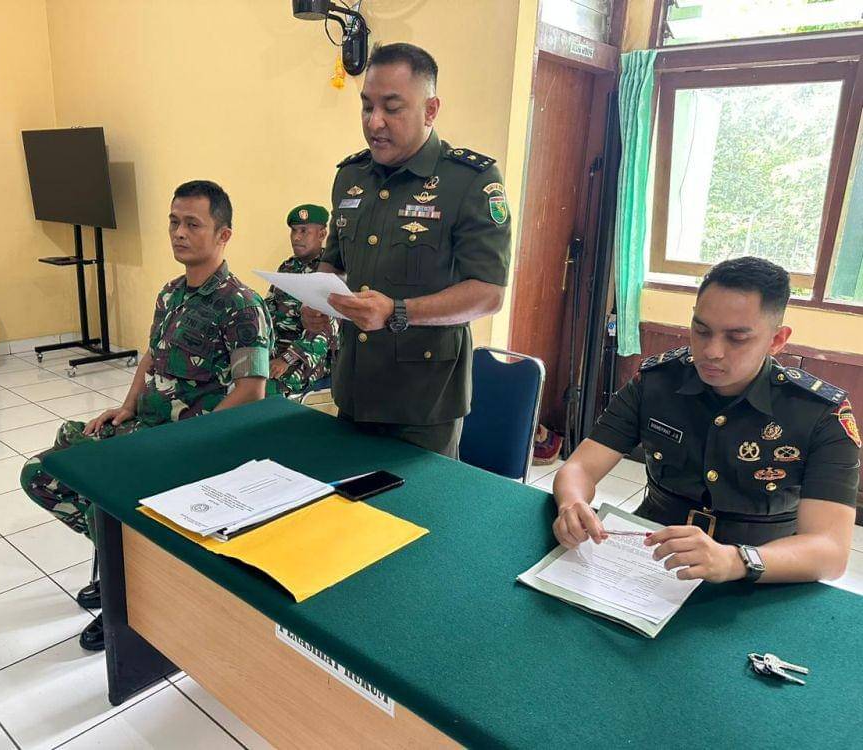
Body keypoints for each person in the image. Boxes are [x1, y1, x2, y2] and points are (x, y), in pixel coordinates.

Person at [20, 180, 272, 650]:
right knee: (42, 473)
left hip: (189, 445)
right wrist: (127, 405)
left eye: (192, 224)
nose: (178, 233)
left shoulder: (241, 305)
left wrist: (191, 443)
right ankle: (123, 567)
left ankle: (125, 597)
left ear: (223, 235)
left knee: (106, 496)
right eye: (174, 222)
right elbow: (151, 358)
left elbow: (251, 391)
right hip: (146, 429)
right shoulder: (171, 293)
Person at [552, 256, 860, 584]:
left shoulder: (819, 413)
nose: (712, 351)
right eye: (701, 330)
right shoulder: (657, 382)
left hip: (762, 571)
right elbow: (581, 467)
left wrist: (735, 560)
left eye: (736, 338)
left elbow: (830, 551)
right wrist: (571, 503)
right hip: (653, 557)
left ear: (776, 340)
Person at [301, 42, 511, 458]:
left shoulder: (470, 180)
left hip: (424, 404)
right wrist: (317, 299)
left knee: (418, 502)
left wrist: (397, 311)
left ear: (430, 110)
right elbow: (334, 260)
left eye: (392, 108)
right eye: (367, 106)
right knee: (345, 497)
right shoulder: (351, 176)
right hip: (354, 389)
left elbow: (489, 293)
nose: (374, 122)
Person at [265, 204, 338, 396]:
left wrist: (287, 359)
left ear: (322, 234)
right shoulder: (287, 267)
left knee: (270, 390)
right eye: (294, 231)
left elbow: (324, 330)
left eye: (304, 231)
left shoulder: (331, 271)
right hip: (277, 350)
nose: (296, 237)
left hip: (311, 356)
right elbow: (268, 309)